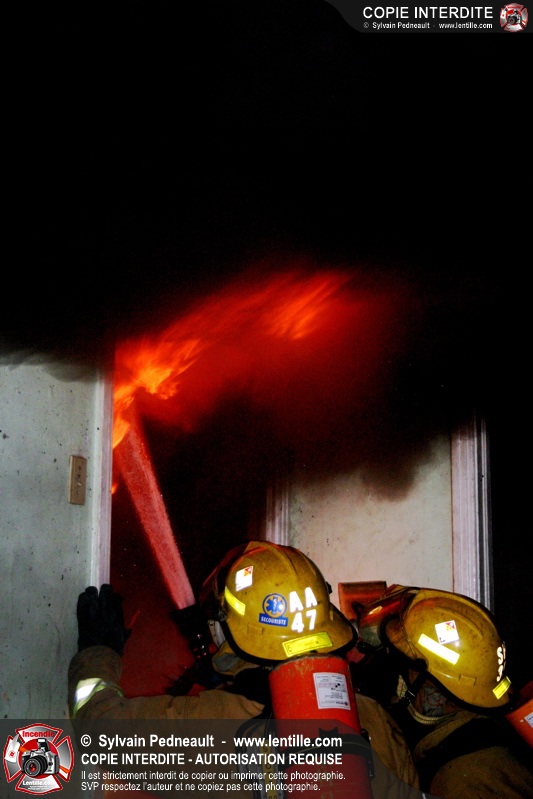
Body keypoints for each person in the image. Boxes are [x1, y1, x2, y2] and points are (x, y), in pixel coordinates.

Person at [68, 540, 421, 796]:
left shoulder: (213, 723)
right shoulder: (374, 718)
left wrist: (99, 651)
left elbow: (98, 727)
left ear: (228, 629)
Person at [351, 584, 533, 799]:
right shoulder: (462, 739)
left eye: (403, 664)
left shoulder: (464, 782)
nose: (396, 678)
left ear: (432, 685)